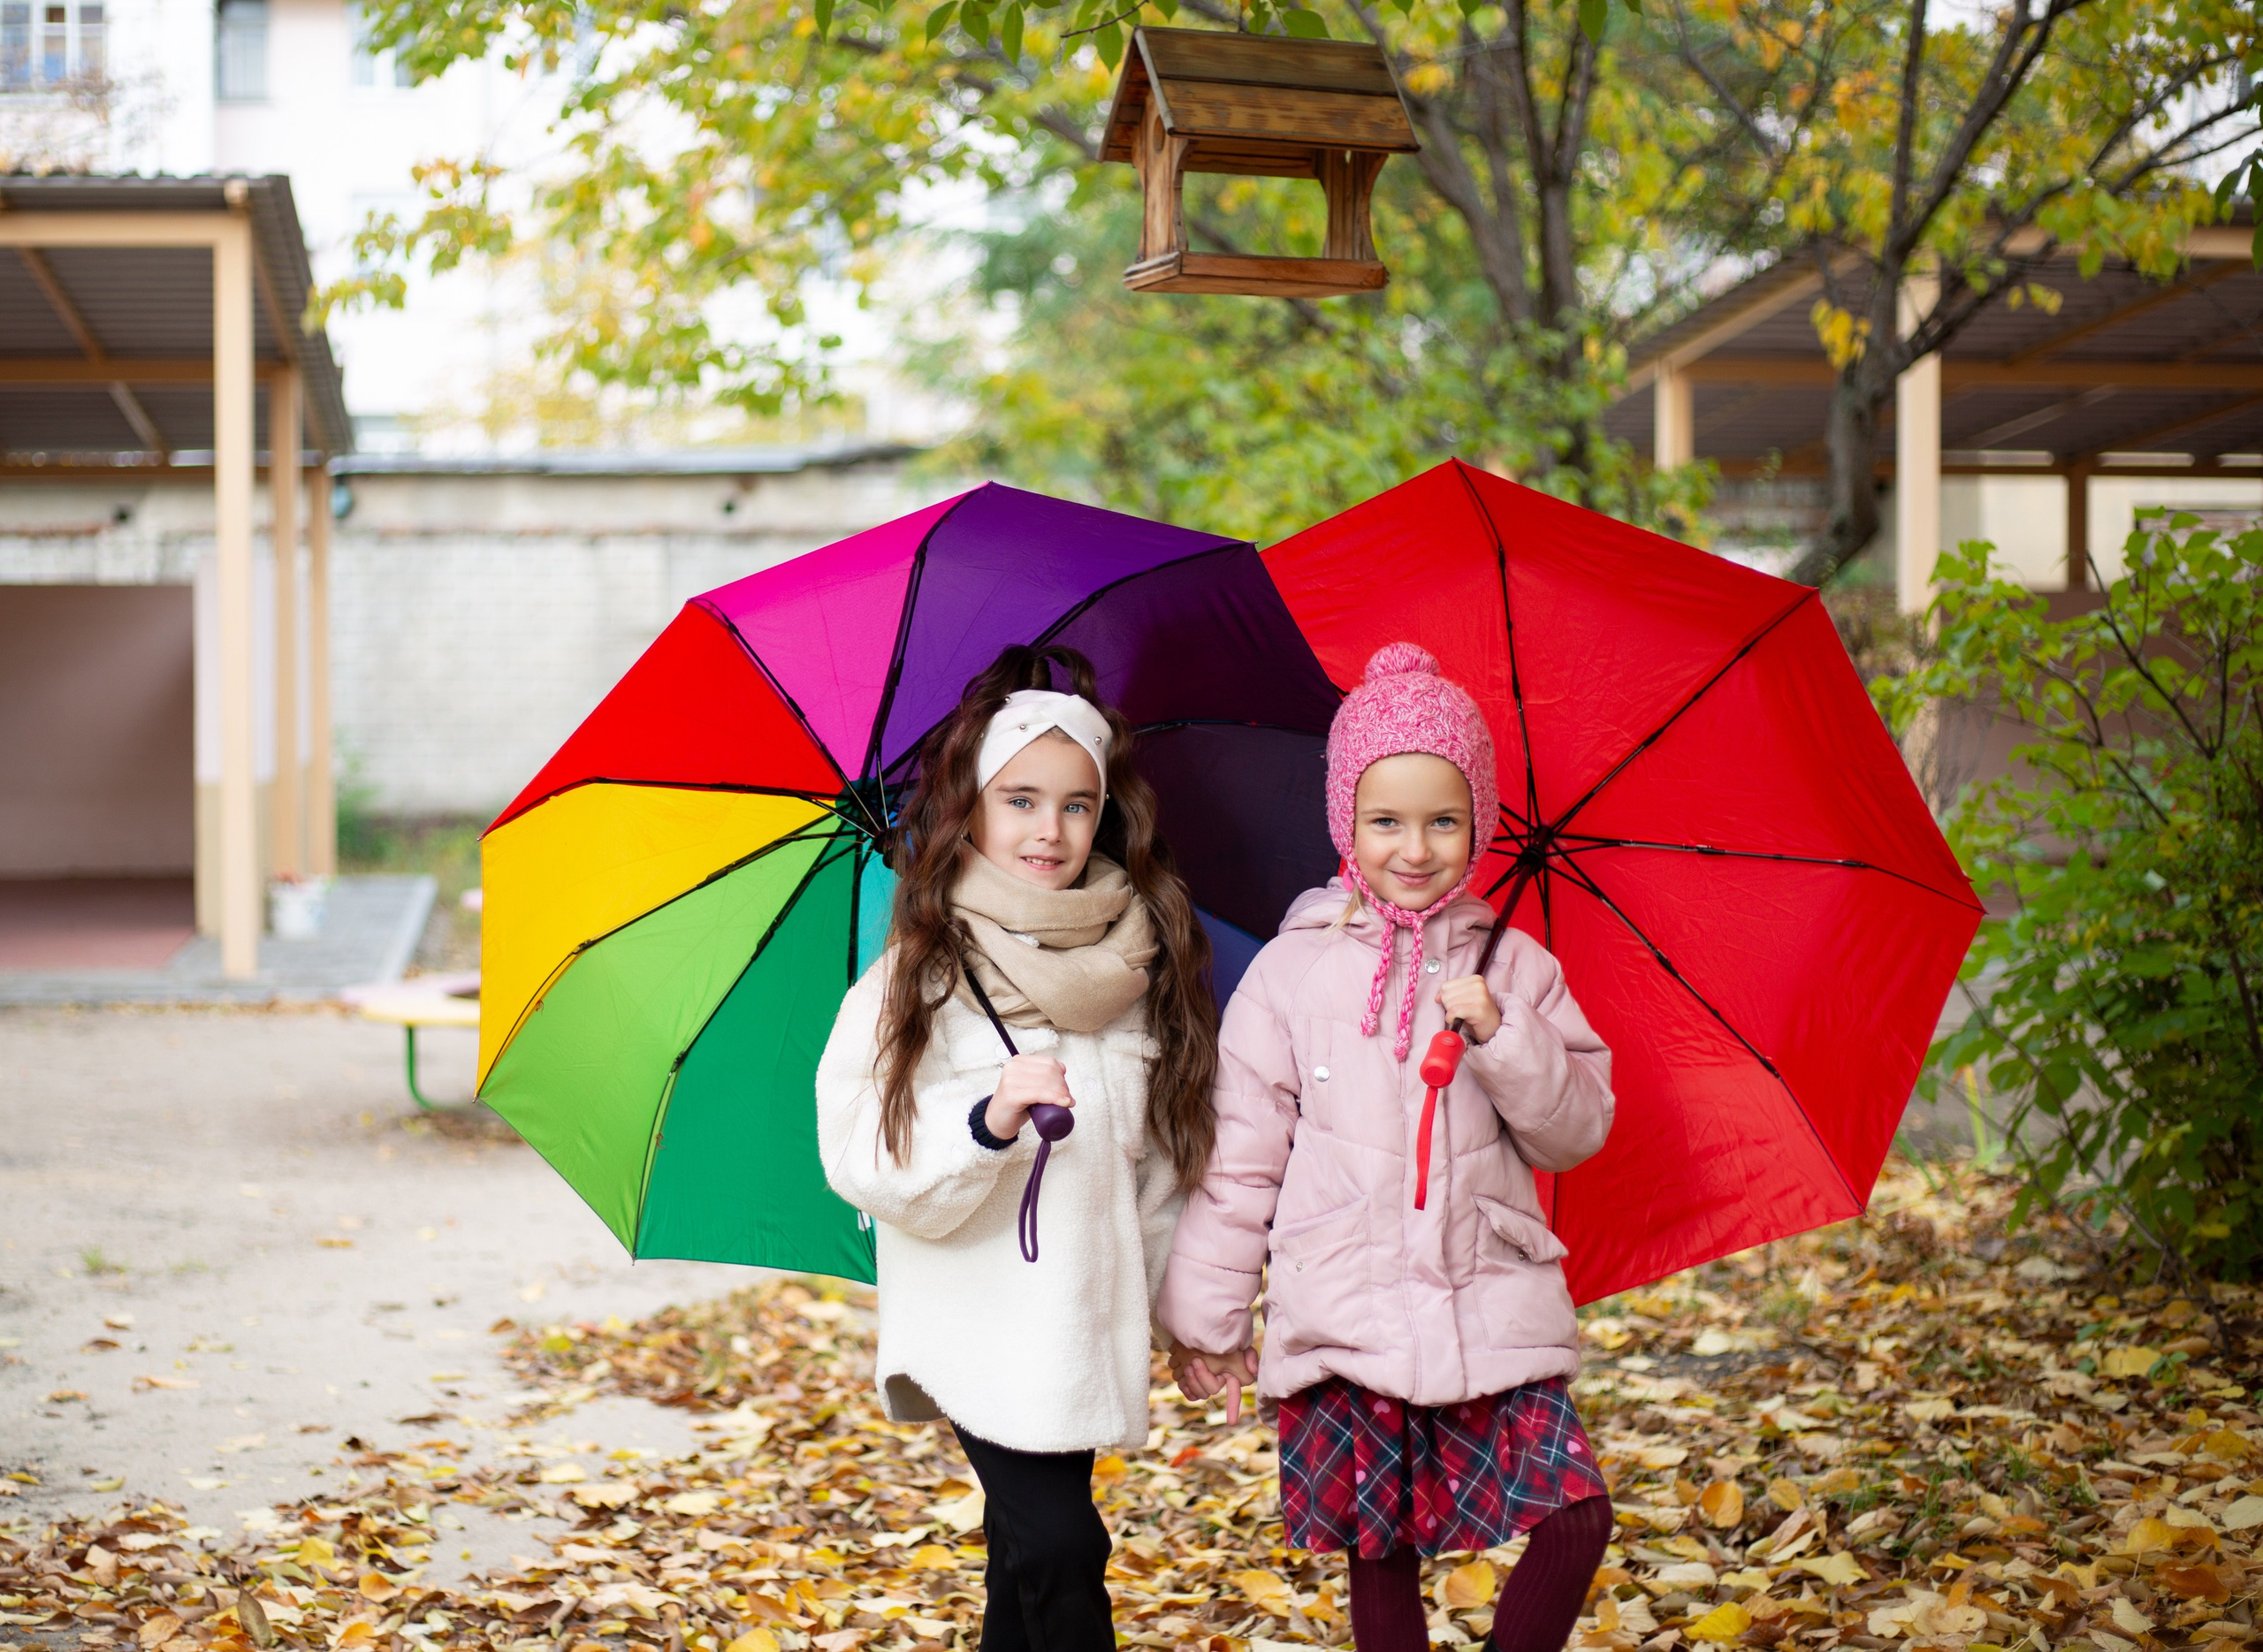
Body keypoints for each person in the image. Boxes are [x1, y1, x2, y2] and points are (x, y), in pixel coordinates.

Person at [1158, 642, 1617, 1652]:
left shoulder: (1516, 968)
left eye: (1443, 821)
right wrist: (1208, 1313)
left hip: (1485, 1295)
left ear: (1479, 823)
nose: (1415, 848)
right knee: (1380, 1550)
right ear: (1345, 825)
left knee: (1577, 1514)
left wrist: (1504, 1035)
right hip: (1345, 1303)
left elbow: (1576, 1128)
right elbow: (1243, 1157)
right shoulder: (1290, 973)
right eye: (1386, 821)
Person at [815, 643, 1218, 1652]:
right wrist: (984, 1119)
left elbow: (1162, 1174)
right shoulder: (917, 976)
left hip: (1082, 1325)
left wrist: (1190, 1319)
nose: (1049, 828)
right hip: (977, 1326)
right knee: (1060, 1549)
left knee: (1021, 1566)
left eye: (1076, 805)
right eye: (1021, 799)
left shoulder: (1133, 967)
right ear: (972, 807)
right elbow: (863, 1159)